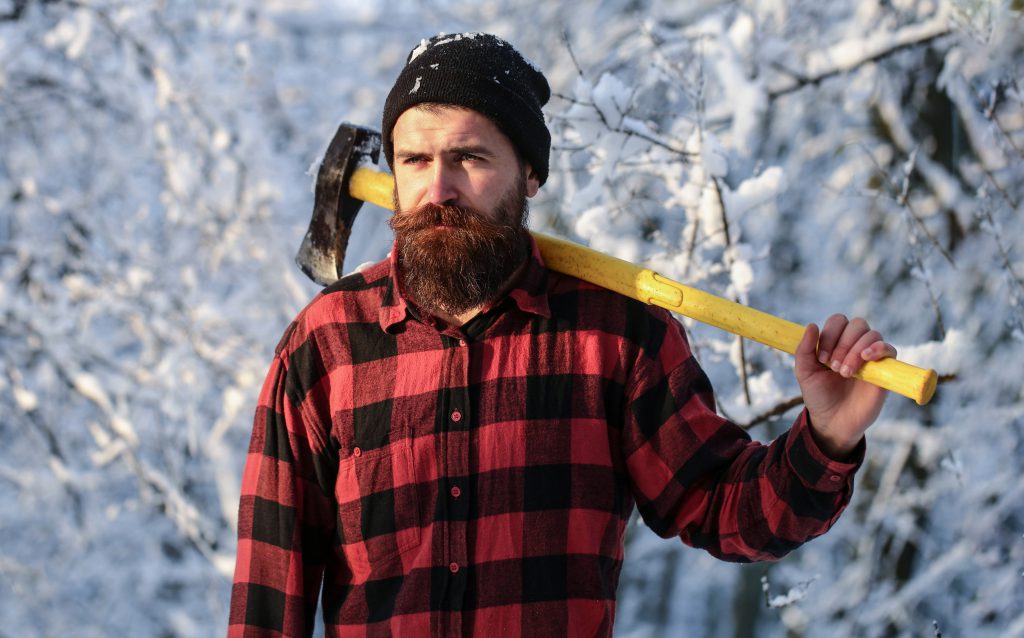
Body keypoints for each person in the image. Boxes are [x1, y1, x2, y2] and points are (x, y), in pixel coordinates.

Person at [229, 32, 895, 637]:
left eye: (469, 157)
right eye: (415, 160)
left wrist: (827, 438)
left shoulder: (617, 336)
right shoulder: (325, 346)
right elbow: (268, 596)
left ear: (530, 176)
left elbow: (726, 509)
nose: (439, 189)